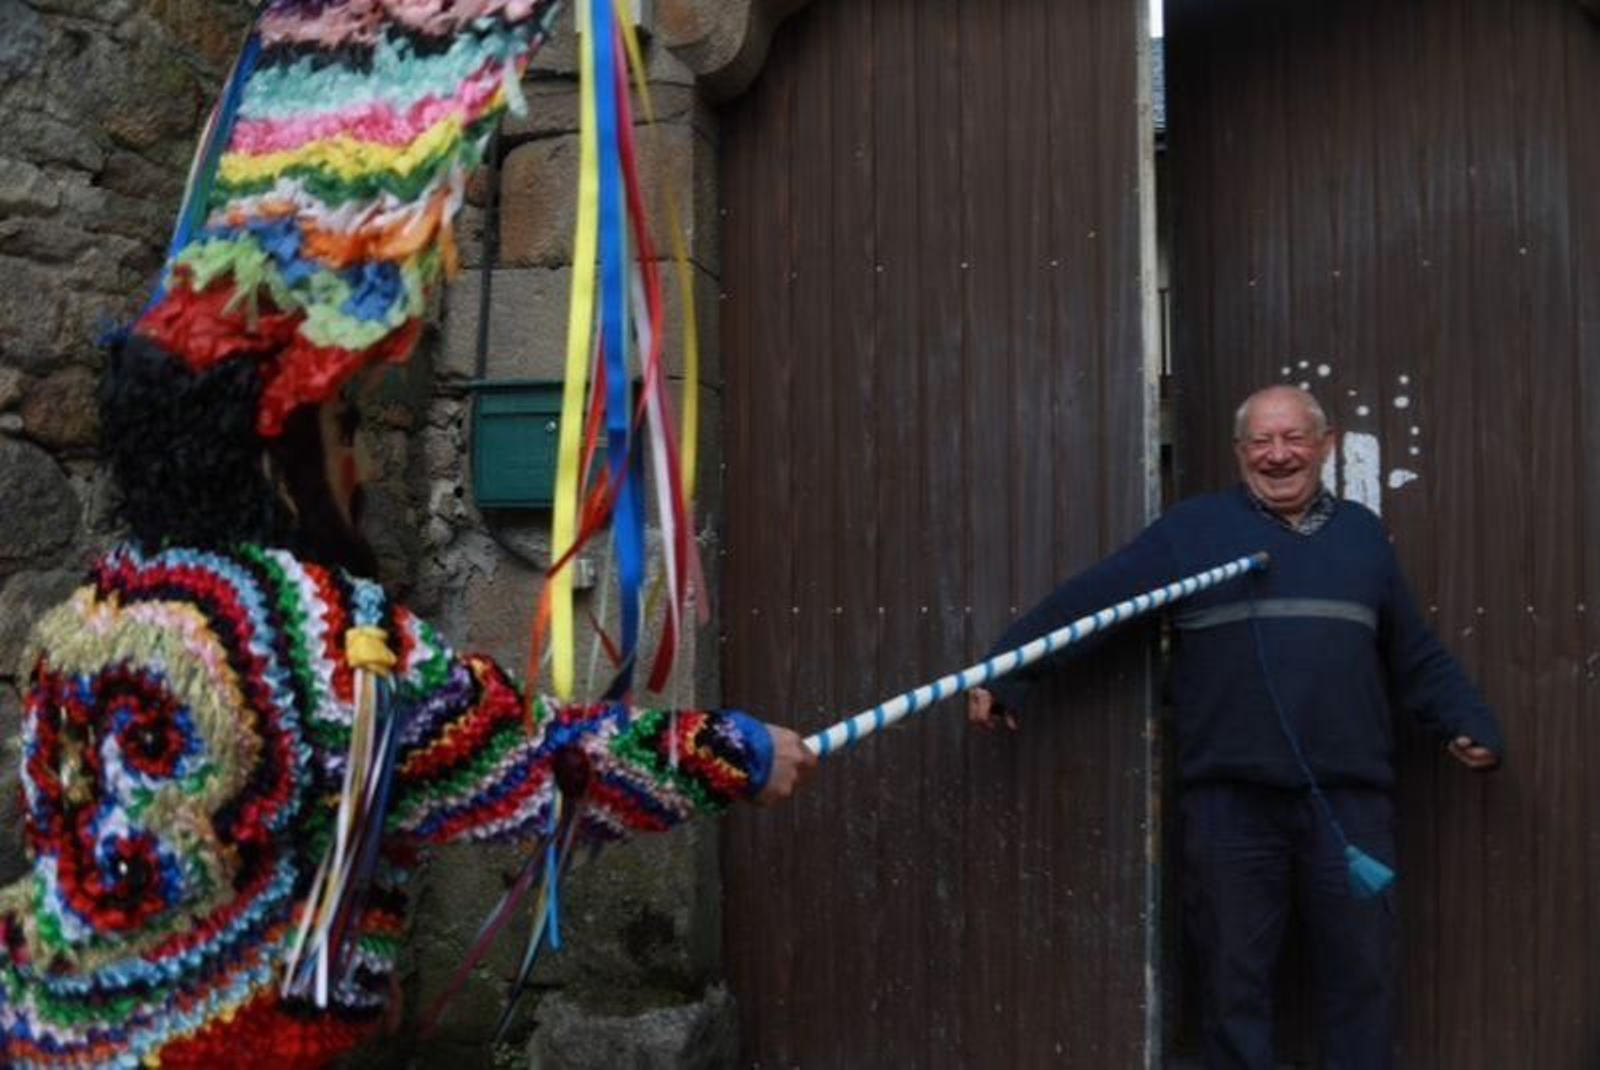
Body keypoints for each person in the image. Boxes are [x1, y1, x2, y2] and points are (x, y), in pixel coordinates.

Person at [0, 335, 815, 1068]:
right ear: (276, 464)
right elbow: (533, 761)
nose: (367, 468)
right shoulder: (306, 632)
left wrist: (346, 962)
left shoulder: (89, 615)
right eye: (343, 434)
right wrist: (732, 754)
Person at [967, 385, 1502, 1070]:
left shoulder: (1363, 536)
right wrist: (1007, 671)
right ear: (1239, 453)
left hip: (1348, 810)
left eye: (1294, 438)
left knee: (1362, 982)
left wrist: (1467, 721)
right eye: (1261, 442)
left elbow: (1412, 650)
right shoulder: (1194, 532)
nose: (1278, 455)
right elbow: (1092, 603)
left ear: (1325, 445)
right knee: (1231, 989)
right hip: (1230, 808)